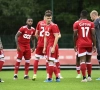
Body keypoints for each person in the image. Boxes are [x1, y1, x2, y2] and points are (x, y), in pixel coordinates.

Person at [73, 10, 96, 82]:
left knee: (82, 60)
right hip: (89, 43)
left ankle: (84, 78)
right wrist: (94, 45)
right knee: (88, 60)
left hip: (81, 44)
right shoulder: (91, 23)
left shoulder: (77, 23)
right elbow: (93, 35)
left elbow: (75, 35)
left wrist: (74, 45)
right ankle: (89, 77)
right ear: (87, 16)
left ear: (81, 15)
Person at [43, 10, 60, 82]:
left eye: (50, 18)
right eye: (48, 18)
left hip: (52, 46)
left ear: (51, 18)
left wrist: (53, 47)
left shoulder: (53, 26)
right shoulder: (46, 26)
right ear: (45, 18)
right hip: (48, 46)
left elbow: (57, 36)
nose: (49, 19)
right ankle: (57, 77)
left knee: (50, 62)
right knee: (52, 62)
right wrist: (44, 47)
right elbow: (45, 37)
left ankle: (49, 78)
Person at [90, 10, 100, 80]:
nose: (91, 19)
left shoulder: (96, 21)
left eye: (91, 17)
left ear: (93, 15)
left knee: (99, 58)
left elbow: (91, 28)